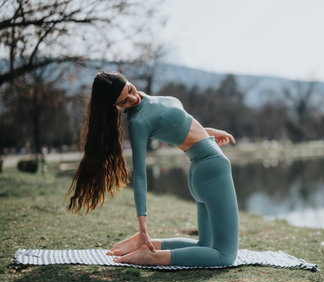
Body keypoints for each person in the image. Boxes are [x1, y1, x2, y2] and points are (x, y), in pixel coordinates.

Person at [68, 71, 239, 266]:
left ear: (129, 81)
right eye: (124, 101)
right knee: (225, 256)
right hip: (212, 170)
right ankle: (152, 256)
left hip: (202, 170)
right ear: (116, 106)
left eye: (130, 90)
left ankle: (152, 246)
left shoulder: (147, 100)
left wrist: (208, 134)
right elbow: (140, 176)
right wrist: (143, 229)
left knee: (205, 244)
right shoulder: (138, 122)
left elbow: (180, 128)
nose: (133, 98)